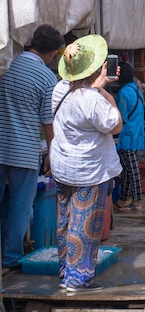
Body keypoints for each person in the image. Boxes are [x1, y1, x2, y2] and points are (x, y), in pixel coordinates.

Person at [49, 34, 123, 292]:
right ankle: (78, 279)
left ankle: (64, 273)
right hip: (88, 171)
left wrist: (96, 85)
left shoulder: (59, 89)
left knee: (65, 223)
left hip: (63, 166)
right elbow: (115, 125)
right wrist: (104, 90)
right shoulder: (92, 99)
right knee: (85, 226)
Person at [0, 24, 64, 271]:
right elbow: (49, 125)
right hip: (24, 152)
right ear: (52, 53)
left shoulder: (7, 66)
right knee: (19, 207)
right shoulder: (47, 77)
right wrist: (52, 155)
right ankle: (10, 258)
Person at [114, 62, 145, 211]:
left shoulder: (123, 93)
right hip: (136, 134)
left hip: (126, 136)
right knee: (127, 168)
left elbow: (120, 117)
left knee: (132, 170)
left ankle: (137, 200)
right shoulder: (136, 89)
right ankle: (123, 199)